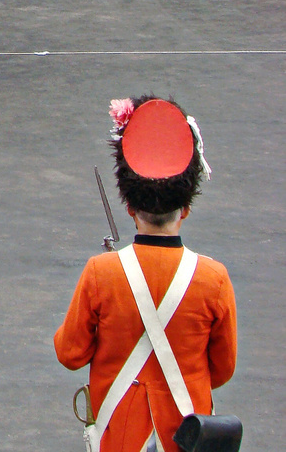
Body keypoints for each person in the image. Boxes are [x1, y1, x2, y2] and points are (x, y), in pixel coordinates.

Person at [55, 96, 237, 452]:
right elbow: (222, 368)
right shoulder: (214, 277)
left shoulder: (101, 271)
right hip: (188, 435)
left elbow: (70, 352)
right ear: (184, 209)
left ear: (128, 207)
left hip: (120, 432)